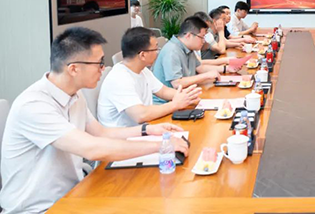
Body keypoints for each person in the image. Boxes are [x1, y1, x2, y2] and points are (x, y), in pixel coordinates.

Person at [0, 28, 188, 213]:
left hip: (72, 196)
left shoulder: (75, 95)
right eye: (99, 63)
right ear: (73, 69)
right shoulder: (33, 105)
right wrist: (162, 146)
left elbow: (101, 133)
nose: (103, 69)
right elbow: (92, 148)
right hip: (39, 209)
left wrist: (147, 130)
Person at [97, 27, 202, 127]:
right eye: (155, 49)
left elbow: (163, 91)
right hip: (125, 136)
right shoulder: (119, 79)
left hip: (143, 128)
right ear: (142, 55)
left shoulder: (142, 70)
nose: (157, 52)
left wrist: (187, 97)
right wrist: (175, 104)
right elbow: (140, 115)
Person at [152, 16, 221, 104]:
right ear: (188, 35)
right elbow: (177, 83)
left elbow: (200, 67)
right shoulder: (172, 51)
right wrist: (206, 76)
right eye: (202, 37)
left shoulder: (188, 48)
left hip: (185, 96)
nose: (204, 41)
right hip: (167, 103)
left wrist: (225, 68)